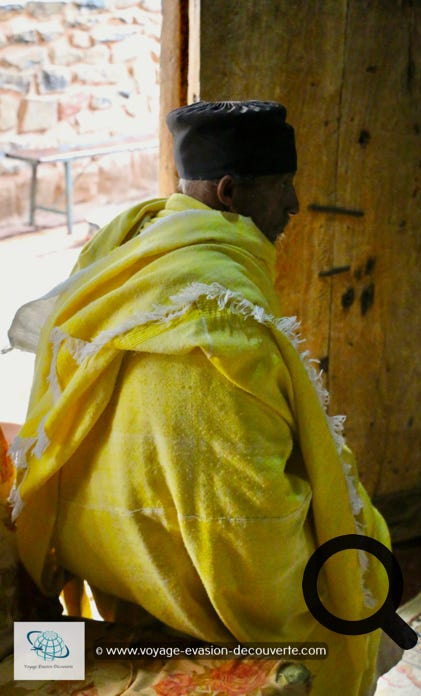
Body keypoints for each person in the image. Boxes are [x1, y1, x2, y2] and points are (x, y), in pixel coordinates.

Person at [8, 101, 394, 694]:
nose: (293, 205)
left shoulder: (128, 251)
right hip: (189, 600)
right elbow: (247, 537)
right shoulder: (222, 328)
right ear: (231, 192)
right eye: (283, 187)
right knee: (366, 620)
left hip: (113, 576)